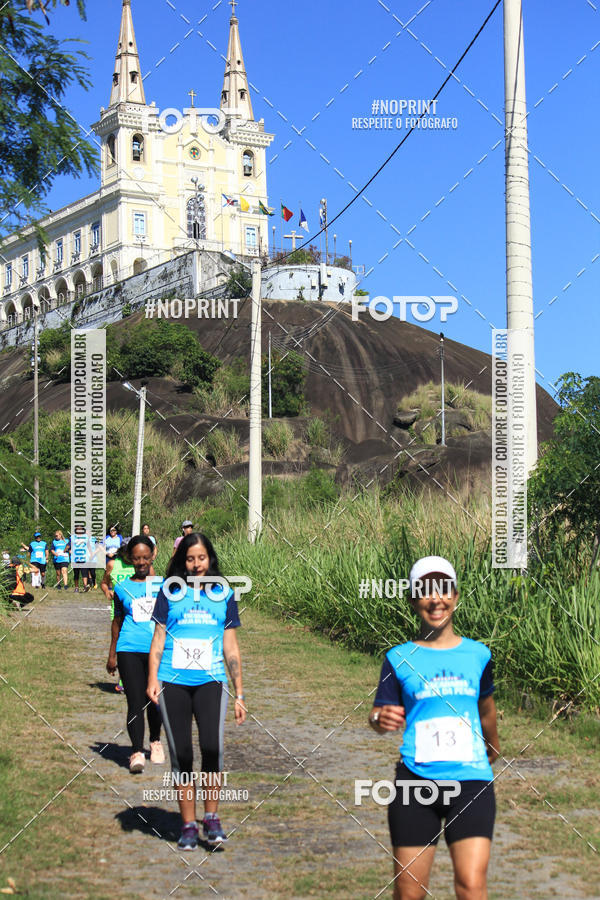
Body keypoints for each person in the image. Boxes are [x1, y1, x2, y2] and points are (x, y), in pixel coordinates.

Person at [368, 556, 500, 900]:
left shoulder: (479, 655)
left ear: (455, 596)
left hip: (471, 782)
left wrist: (493, 744)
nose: (436, 599)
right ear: (413, 600)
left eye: (444, 590)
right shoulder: (398, 658)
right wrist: (379, 721)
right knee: (410, 892)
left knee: (472, 886)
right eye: (425, 591)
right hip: (416, 784)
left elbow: (486, 706)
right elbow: (378, 716)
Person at [147, 532, 245, 851]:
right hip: (172, 681)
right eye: (190, 559)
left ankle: (212, 819)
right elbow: (159, 638)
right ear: (182, 562)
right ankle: (188, 824)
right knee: (183, 756)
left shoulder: (223, 593)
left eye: (201, 558)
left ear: (210, 559)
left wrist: (239, 691)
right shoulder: (169, 592)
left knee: (212, 748)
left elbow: (230, 646)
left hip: (211, 681)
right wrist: (152, 678)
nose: (196, 564)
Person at [106, 535, 165, 773]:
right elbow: (117, 623)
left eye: (145, 557)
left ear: (153, 555)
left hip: (158, 651)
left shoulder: (165, 586)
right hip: (129, 649)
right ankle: (136, 751)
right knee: (134, 702)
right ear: (130, 559)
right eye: (136, 558)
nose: (141, 562)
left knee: (155, 700)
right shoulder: (121, 587)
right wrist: (111, 654)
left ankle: (155, 741)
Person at [102, 544, 136, 694]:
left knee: (133, 643)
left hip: (136, 609)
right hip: (118, 609)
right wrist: (107, 591)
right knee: (120, 641)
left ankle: (129, 678)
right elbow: (104, 582)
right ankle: (123, 677)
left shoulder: (139, 565)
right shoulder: (112, 564)